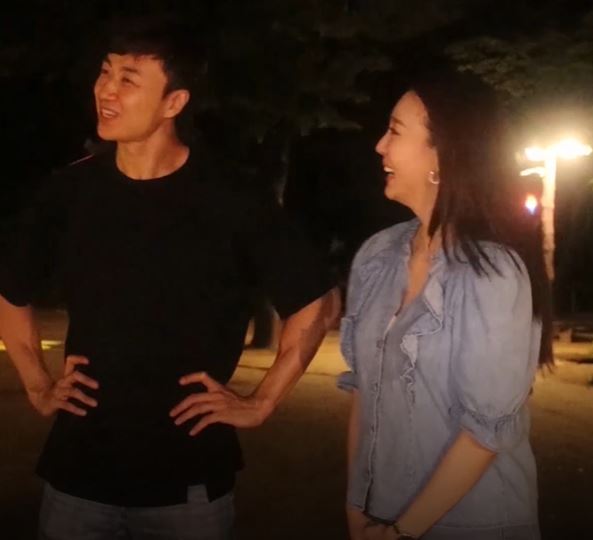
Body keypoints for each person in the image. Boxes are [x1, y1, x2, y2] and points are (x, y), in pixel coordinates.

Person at [0, 16, 339, 540]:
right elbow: (11, 290)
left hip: (188, 485)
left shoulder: (231, 198)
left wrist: (262, 401)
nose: (106, 90)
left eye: (128, 79)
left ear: (174, 102)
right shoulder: (68, 192)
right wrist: (39, 384)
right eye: (105, 72)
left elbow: (317, 301)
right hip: (77, 476)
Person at [339, 67, 552, 540]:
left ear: (443, 154)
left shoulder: (491, 272)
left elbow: (484, 432)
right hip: (380, 516)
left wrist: (403, 531)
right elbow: (363, 392)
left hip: (475, 524)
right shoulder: (377, 256)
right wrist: (357, 508)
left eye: (395, 131)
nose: (379, 145)